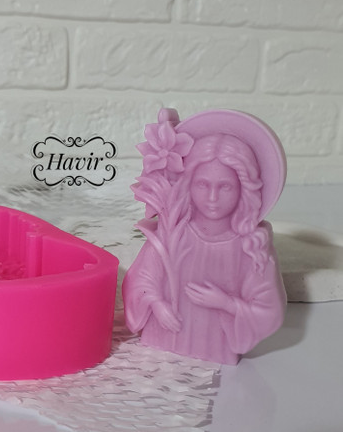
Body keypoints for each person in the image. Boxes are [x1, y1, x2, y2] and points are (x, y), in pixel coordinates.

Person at [123, 109, 287, 364]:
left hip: (214, 348)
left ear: (243, 189)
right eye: (202, 185)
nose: (212, 198)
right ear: (188, 184)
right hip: (160, 344)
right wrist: (157, 304)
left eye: (225, 187)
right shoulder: (173, 232)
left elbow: (269, 311)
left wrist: (226, 303)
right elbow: (141, 280)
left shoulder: (250, 247)